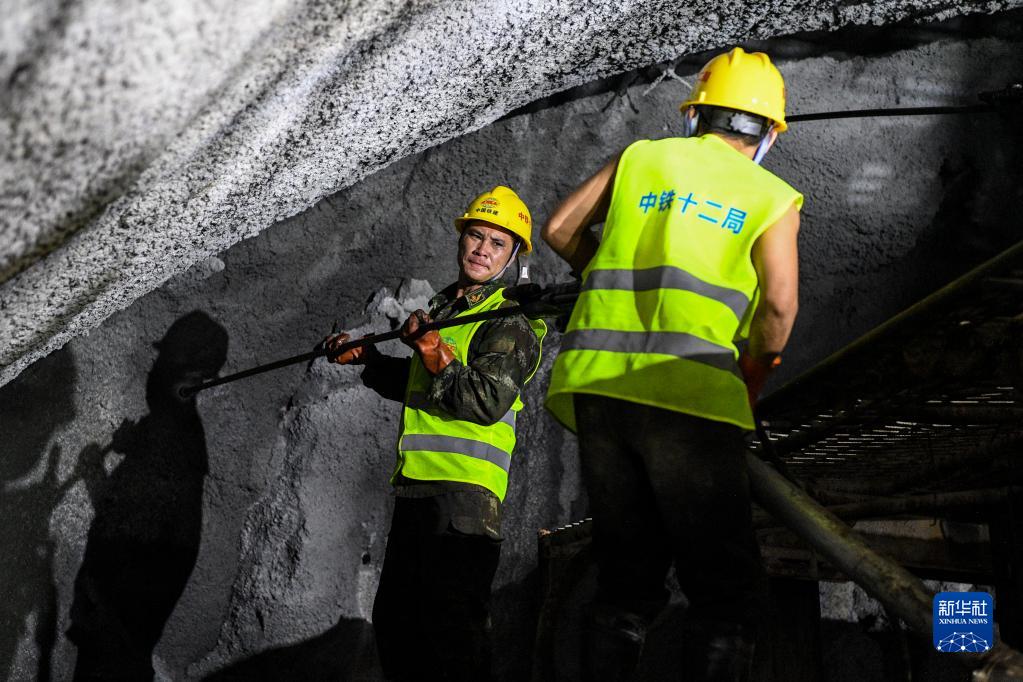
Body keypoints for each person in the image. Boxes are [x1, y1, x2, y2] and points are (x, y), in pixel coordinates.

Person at [542, 47, 803, 682]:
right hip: (690, 397)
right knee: (726, 592)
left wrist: (606, 275)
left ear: (695, 115)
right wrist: (752, 380)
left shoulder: (642, 157)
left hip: (599, 392)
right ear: (769, 134)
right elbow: (778, 306)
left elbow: (559, 228)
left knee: (626, 581)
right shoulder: (771, 196)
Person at [325, 186, 546, 681]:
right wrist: (369, 360)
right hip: (418, 493)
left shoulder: (510, 320)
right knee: (398, 626)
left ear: (513, 256)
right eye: (476, 236)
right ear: (460, 238)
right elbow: (428, 388)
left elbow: (484, 400)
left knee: (452, 639)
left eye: (497, 243)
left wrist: (432, 351)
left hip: (464, 502)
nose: (482, 250)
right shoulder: (448, 309)